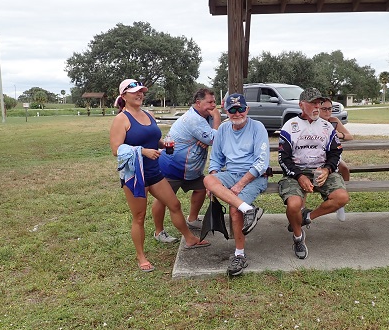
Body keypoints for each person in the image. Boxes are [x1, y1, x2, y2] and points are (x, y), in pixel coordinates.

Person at [109, 78, 209, 273]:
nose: (140, 95)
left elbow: (152, 138)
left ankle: (189, 239)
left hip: (154, 172)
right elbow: (116, 149)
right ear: (124, 96)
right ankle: (141, 256)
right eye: (135, 92)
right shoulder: (121, 119)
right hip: (135, 175)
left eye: (141, 91)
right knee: (139, 217)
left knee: (175, 204)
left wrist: (163, 144)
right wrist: (143, 151)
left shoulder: (149, 114)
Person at [278, 88, 350, 259]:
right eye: (313, 103)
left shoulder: (326, 126)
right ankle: (298, 237)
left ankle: (307, 217)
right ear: (301, 105)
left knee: (341, 198)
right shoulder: (290, 126)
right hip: (296, 172)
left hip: (321, 170)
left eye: (319, 103)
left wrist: (327, 169)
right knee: (294, 205)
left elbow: (335, 152)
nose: (317, 106)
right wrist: (299, 176)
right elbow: (283, 158)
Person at [203, 93, 269, 276]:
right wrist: (214, 181)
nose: (237, 113)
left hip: (254, 176)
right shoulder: (223, 129)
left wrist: (240, 185)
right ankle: (249, 209)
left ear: (247, 109)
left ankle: (239, 255)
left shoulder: (257, 127)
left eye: (241, 108)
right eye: (232, 109)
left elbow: (261, 163)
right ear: (226, 111)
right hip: (231, 174)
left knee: (234, 209)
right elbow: (216, 160)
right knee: (208, 180)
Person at [151, 88, 221, 243]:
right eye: (210, 102)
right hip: (172, 167)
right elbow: (214, 139)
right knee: (163, 199)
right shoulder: (193, 119)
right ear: (198, 103)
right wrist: (217, 118)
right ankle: (159, 232)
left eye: (214, 102)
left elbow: (212, 136)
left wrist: (207, 138)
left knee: (201, 187)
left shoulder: (204, 116)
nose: (213, 106)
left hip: (190, 169)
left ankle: (192, 219)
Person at [319, 97, 353, 221]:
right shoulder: (313, 122)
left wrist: (339, 134)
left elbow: (350, 136)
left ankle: (341, 204)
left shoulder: (334, 121)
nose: (328, 112)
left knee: (344, 168)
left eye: (330, 109)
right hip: (317, 155)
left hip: (333, 154)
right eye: (324, 109)